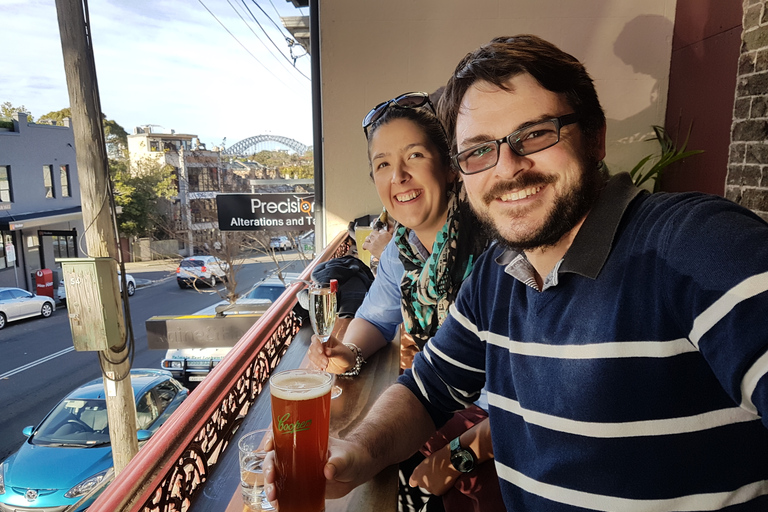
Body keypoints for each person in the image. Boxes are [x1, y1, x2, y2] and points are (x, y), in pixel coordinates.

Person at [263, 34, 768, 511]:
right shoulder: (499, 272)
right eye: (480, 149)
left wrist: (457, 454)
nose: (507, 167)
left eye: (535, 134)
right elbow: (427, 389)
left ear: (595, 138)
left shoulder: (695, 245)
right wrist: (356, 453)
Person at [306, 92, 500, 511]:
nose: (399, 176)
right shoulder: (402, 252)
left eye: (414, 156)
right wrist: (348, 352)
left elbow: (531, 390)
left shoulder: (496, 248)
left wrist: (462, 453)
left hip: (503, 428)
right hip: (436, 400)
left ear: (449, 167)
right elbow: (376, 318)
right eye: (383, 165)